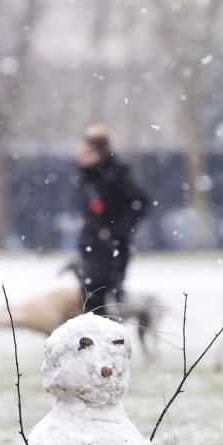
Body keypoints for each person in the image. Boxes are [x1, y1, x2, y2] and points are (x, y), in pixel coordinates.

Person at [75, 124, 151, 315]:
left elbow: (140, 203)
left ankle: (107, 340)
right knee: (91, 297)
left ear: (96, 151)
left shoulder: (115, 174)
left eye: (85, 150)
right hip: (92, 246)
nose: (80, 155)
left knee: (103, 299)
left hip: (111, 248)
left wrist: (116, 231)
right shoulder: (89, 176)